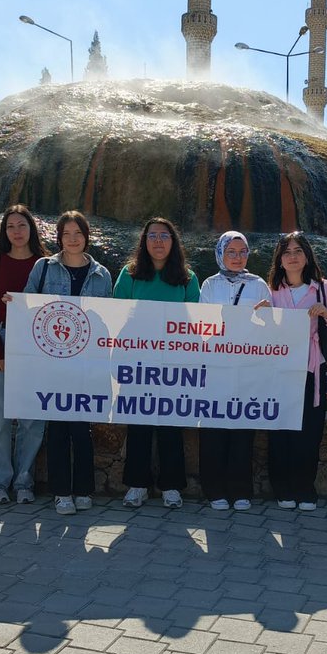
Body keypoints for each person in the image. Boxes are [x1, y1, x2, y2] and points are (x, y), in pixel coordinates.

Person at [17, 210, 114, 515]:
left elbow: (108, 320)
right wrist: (14, 304)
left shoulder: (102, 274)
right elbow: (28, 305)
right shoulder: (44, 267)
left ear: (87, 237)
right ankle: (61, 493)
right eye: (66, 234)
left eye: (78, 233)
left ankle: (83, 490)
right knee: (58, 428)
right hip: (53, 361)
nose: (73, 240)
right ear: (59, 237)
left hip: (86, 363)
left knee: (81, 429)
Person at [113, 217, 201, 509]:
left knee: (170, 426)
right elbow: (117, 317)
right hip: (137, 364)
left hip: (174, 365)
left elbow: (196, 322)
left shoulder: (188, 277)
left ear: (173, 242)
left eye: (165, 235)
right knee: (138, 425)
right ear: (144, 240)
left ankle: (171, 486)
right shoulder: (130, 274)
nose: (159, 241)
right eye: (153, 235)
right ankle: (137, 485)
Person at [260, 231, 327, 511]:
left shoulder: (324, 289)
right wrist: (258, 313)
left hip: (311, 368)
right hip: (279, 371)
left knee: (309, 431)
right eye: (287, 252)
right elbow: (260, 332)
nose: (293, 256)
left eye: (298, 251)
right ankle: (282, 487)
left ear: (307, 256)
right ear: (280, 259)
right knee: (280, 431)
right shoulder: (271, 290)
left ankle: (304, 487)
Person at [0, 205, 48, 506]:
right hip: (2, 338)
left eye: (22, 225)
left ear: (32, 228)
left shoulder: (45, 264)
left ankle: (23, 481)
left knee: (33, 419)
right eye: (10, 226)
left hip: (37, 345)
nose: (16, 231)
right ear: (4, 231)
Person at [196, 231, 271, 511]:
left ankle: (241, 490)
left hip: (247, 368)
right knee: (214, 429)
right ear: (220, 254)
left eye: (242, 252)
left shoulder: (259, 285)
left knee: (242, 429)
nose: (238, 258)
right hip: (216, 367)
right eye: (232, 252)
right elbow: (202, 325)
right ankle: (213, 489)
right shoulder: (209, 285)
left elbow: (271, 328)